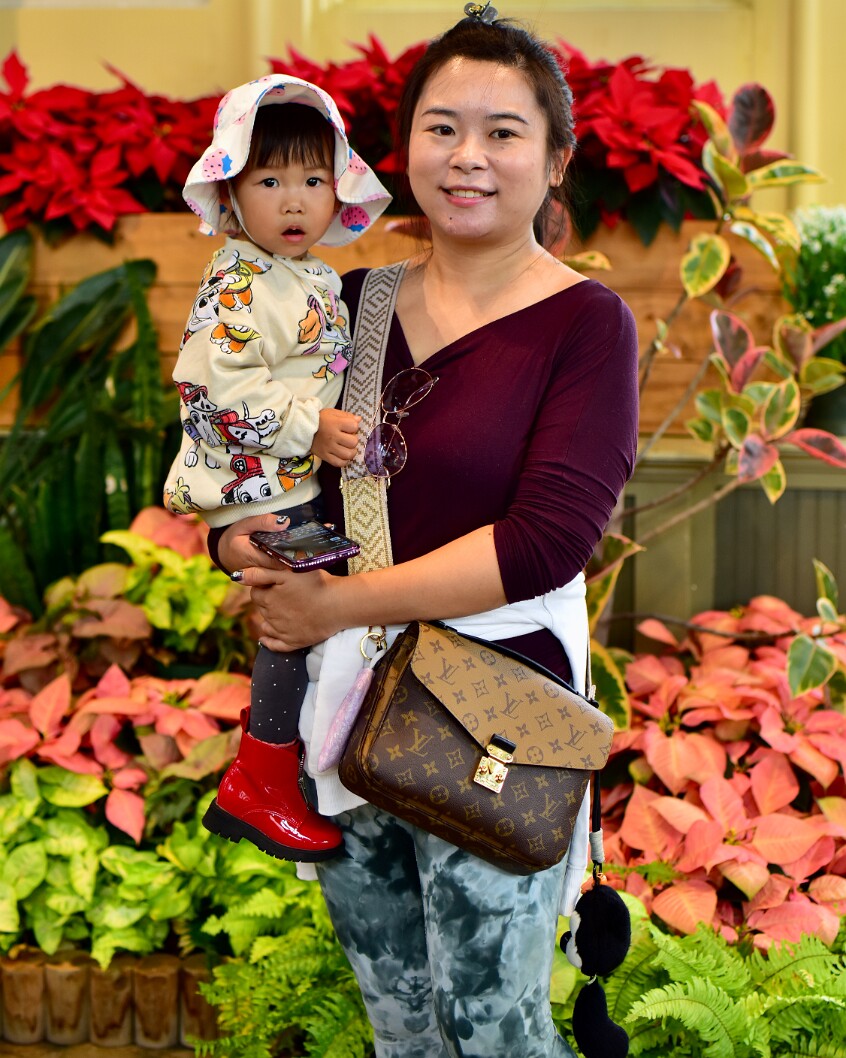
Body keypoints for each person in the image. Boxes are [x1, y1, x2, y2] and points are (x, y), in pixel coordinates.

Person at [209, 9, 639, 1057]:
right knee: (400, 1026)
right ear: (405, 152)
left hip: (496, 717)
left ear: (556, 157)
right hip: (342, 711)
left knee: (494, 1031)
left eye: (502, 131)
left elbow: (547, 539)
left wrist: (333, 603)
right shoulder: (346, 301)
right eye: (442, 128)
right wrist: (244, 546)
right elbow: (259, 466)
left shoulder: (586, 324)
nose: (469, 158)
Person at [163, 74, 391, 863]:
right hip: (255, 484)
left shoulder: (317, 277)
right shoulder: (236, 281)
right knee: (294, 624)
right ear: (230, 193)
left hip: (293, 480)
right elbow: (213, 385)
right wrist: (309, 425)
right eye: (269, 181)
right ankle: (260, 776)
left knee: (316, 621)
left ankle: (285, 767)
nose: (294, 202)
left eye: (313, 180)